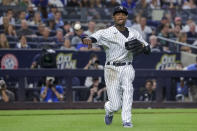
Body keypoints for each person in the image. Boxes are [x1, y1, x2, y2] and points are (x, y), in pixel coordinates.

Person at [82, 6, 150, 128]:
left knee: (128, 91)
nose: (120, 16)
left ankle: (127, 121)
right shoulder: (106, 32)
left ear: (126, 17)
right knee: (115, 105)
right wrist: (87, 39)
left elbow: (147, 48)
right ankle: (109, 110)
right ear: (113, 17)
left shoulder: (134, 32)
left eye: (123, 14)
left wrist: (144, 48)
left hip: (128, 67)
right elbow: (92, 37)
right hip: (111, 69)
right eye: (118, 14)